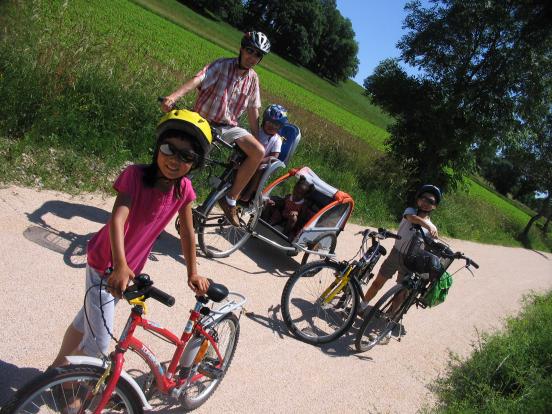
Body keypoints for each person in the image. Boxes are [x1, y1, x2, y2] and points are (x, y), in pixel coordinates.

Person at [51, 110, 212, 367]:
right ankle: (71, 396)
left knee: (86, 321)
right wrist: (121, 264)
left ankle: (57, 370)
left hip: (126, 271)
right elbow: (117, 219)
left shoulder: (184, 190)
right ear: (158, 147)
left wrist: (193, 272)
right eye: (169, 149)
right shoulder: (135, 176)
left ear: (195, 163)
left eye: (186, 156)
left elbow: (187, 233)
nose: (174, 159)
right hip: (106, 263)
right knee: (99, 345)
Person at [161, 31, 271, 227]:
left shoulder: (253, 79)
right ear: (241, 49)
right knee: (188, 168)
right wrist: (173, 97)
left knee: (258, 151)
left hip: (229, 127)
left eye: (257, 55)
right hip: (204, 122)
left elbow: (254, 110)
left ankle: (230, 200)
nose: (252, 57)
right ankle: (160, 211)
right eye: (249, 51)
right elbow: (198, 79)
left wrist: (257, 139)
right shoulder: (222, 65)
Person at [358, 184, 442, 322]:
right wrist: (426, 225)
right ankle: (362, 306)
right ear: (418, 200)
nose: (426, 202)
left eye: (431, 201)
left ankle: (389, 321)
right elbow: (411, 218)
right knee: (377, 283)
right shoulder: (410, 211)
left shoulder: (433, 228)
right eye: (424, 198)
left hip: (411, 261)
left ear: (434, 206)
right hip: (395, 254)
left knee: (400, 294)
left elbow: (429, 247)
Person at [240, 104, 288, 203]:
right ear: (264, 120)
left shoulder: (277, 140)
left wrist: (261, 160)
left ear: (280, 127)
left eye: (276, 124)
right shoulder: (257, 131)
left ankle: (249, 192)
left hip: (262, 162)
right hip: (249, 155)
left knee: (259, 168)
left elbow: (274, 157)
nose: (272, 126)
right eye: (269, 122)